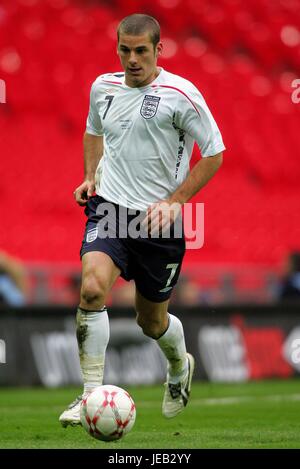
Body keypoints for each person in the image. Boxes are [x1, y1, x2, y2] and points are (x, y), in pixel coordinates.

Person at [59, 13, 225, 427]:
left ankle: (178, 368)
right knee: (92, 290)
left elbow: (215, 153)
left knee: (151, 322)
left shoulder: (181, 95)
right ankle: (90, 395)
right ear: (117, 48)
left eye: (141, 51)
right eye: (125, 50)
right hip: (111, 209)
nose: (132, 59)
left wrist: (177, 201)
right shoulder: (103, 87)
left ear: (158, 51)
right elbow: (93, 131)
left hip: (158, 223)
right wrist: (89, 175)